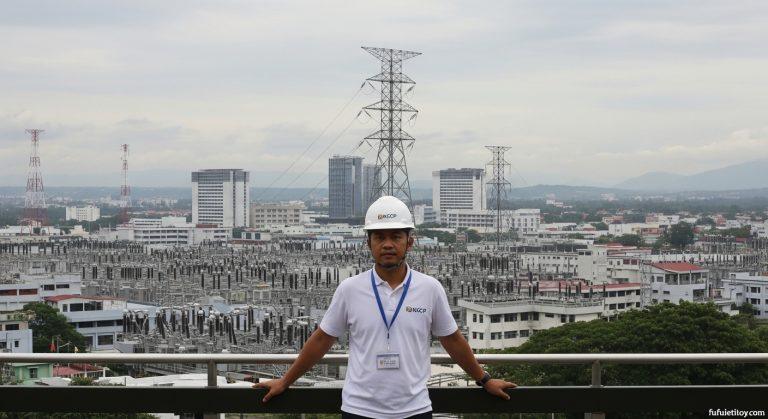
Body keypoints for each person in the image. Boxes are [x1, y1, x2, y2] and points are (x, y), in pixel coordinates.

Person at [255, 196, 516, 418]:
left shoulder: (430, 288)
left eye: (395, 236)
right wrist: (286, 381)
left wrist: (484, 379)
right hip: (359, 409)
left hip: (414, 410)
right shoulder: (350, 289)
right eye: (379, 237)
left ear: (409, 242)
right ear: (368, 243)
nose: (387, 244)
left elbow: (453, 340)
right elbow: (322, 339)